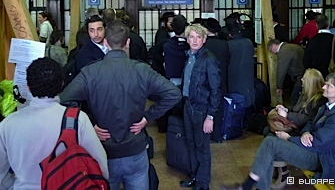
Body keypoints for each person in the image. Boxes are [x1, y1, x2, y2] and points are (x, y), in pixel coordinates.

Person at [60, 20, 181, 190]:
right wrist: (148, 116)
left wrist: (87, 124)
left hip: (103, 150)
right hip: (135, 148)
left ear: (106, 42)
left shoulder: (90, 72)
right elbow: (174, 94)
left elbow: (64, 100)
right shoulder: (141, 70)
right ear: (128, 42)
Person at [221, 73, 335, 190]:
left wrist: (289, 138)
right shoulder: (330, 106)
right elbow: (310, 123)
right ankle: (253, 186)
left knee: (271, 143)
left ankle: (249, 186)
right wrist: (306, 132)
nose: (324, 87)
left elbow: (318, 143)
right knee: (270, 142)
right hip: (321, 154)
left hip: (328, 162)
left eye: (328, 85)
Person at [0, 57, 108, 189]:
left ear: (28, 87)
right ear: (62, 84)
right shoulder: (77, 119)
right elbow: (100, 166)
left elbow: (1, 172)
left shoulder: (7, 125)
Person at [180, 24, 221, 190]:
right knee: (190, 143)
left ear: (204, 39)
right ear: (187, 39)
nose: (195, 40)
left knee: (202, 147)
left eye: (198, 37)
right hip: (188, 105)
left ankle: (203, 184)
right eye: (192, 37)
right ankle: (195, 177)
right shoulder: (189, 56)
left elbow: (216, 90)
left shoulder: (209, 59)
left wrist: (210, 116)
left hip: (202, 109)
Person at [267, 68, 327, 136]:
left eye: (304, 78)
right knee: (268, 129)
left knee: (269, 131)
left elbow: (308, 119)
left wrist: (287, 115)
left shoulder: (319, 100)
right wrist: (285, 109)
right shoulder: (305, 94)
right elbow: (296, 109)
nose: (301, 79)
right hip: (295, 123)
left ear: (309, 83)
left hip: (301, 128)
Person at [203, 17, 230, 143]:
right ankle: (217, 135)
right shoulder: (224, 44)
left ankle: (205, 134)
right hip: (220, 79)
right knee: (218, 107)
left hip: (204, 81)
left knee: (204, 107)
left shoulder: (202, 44)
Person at [267, 39, 305, 105]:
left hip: (300, 77)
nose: (273, 53)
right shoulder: (291, 46)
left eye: (271, 50)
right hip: (304, 74)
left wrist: (279, 87)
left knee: (295, 97)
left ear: (273, 46)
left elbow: (281, 70)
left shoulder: (283, 51)